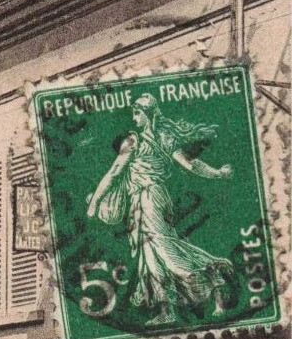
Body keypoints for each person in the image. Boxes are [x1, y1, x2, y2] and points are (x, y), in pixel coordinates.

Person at [87, 95, 235, 327]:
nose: (134, 118)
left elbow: (114, 172)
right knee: (152, 258)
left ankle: (214, 276)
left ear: (149, 114)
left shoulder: (134, 141)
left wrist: (95, 203)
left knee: (166, 252)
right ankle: (168, 310)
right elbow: (190, 164)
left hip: (149, 199)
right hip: (149, 199)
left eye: (138, 113)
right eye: (133, 113)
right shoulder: (164, 137)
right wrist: (217, 173)